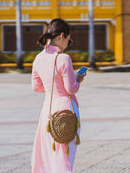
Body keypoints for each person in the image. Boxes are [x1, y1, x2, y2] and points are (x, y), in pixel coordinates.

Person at [31, 18, 85, 173]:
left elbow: (36, 87)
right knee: (64, 156)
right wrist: (78, 79)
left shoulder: (38, 58)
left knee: (48, 155)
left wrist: (52, 87)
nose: (68, 43)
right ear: (62, 36)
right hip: (65, 112)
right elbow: (71, 89)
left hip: (46, 113)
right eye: (69, 39)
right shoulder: (63, 58)